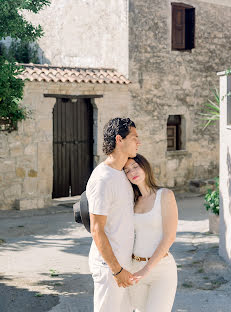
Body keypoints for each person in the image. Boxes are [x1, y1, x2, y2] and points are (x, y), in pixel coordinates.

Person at [86, 117, 140, 312]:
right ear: (119, 139)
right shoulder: (103, 179)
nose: (138, 142)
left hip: (124, 266)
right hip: (110, 268)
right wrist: (116, 270)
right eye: (134, 137)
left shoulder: (122, 174)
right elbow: (96, 229)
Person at [124, 154, 178, 312]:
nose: (132, 172)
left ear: (144, 167)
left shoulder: (165, 195)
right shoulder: (132, 201)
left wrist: (146, 270)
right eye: (127, 170)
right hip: (134, 268)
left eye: (135, 166)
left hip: (161, 269)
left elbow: (169, 237)